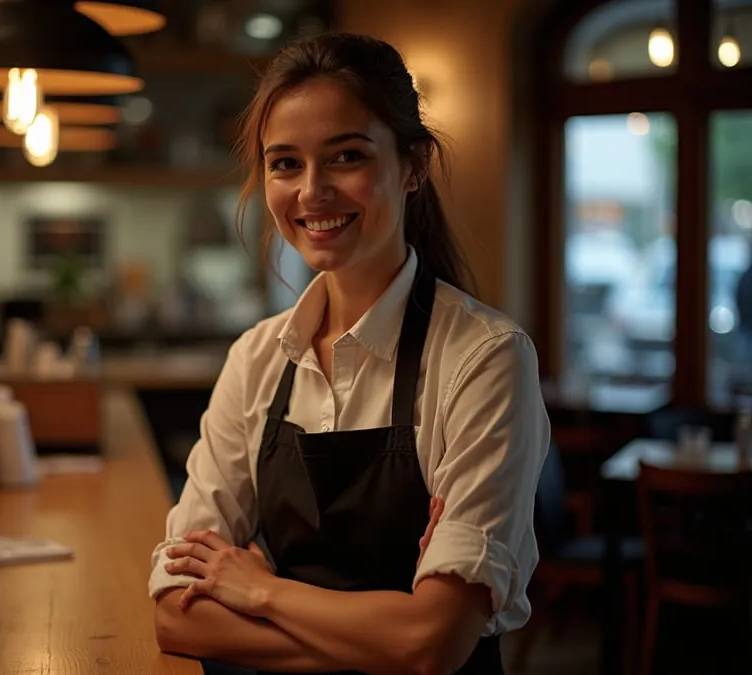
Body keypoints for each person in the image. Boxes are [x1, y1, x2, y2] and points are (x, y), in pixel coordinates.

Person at [150, 32, 550, 675]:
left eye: (346, 156)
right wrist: (385, 634)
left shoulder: (485, 360)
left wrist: (261, 593)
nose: (311, 192)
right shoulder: (256, 359)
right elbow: (174, 615)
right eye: (285, 163)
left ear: (413, 165)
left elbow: (433, 643)